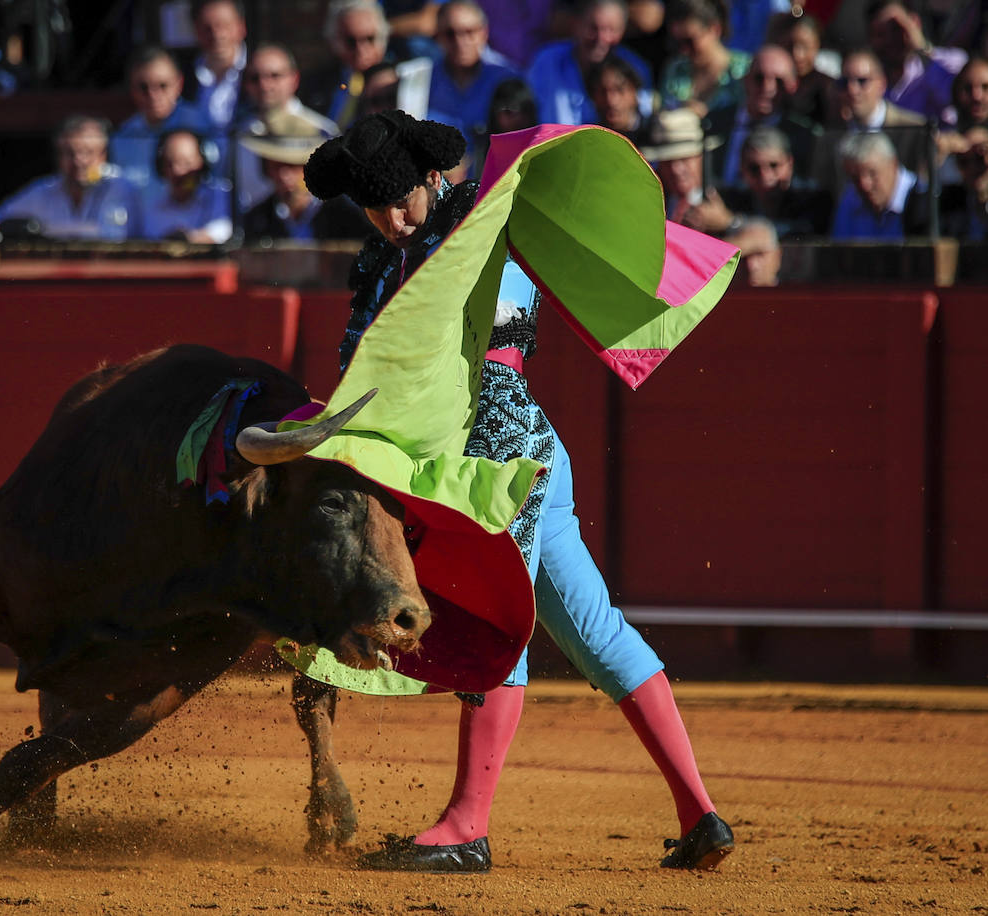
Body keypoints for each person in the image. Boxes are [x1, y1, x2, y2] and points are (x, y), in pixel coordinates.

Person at [303, 109, 733, 874]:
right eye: (374, 207)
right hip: (523, 452)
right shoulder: (378, 260)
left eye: (401, 199)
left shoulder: (480, 216)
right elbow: (362, 371)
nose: (391, 218)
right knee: (597, 634)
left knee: (495, 618)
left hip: (499, 451)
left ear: (433, 178)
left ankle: (468, 825)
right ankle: (700, 814)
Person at [0, 116, 140, 241]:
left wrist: (45, 230)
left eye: (88, 152)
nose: (79, 161)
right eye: (69, 153)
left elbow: (112, 235)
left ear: (103, 155)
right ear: (58, 157)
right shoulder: (46, 189)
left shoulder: (119, 185)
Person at [233, 43, 339, 214]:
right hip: (254, 232)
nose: (264, 85)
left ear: (294, 78)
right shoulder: (239, 136)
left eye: (275, 76)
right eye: (255, 78)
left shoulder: (322, 131)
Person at [810, 48, 928, 193]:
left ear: (882, 84)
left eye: (862, 81)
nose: (852, 90)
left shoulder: (915, 129)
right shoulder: (830, 138)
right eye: (844, 82)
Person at [239, 112, 370, 242]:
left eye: (293, 166)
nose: (284, 176)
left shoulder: (347, 217)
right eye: (276, 166)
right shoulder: (256, 221)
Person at [704, 43, 821, 185]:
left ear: (792, 86)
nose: (768, 88)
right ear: (746, 80)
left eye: (778, 81)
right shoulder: (713, 123)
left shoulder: (804, 137)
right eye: (759, 78)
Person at [527, 0, 654, 126]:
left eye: (611, 29)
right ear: (577, 24)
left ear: (623, 30)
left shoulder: (635, 68)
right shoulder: (548, 61)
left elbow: (643, 121)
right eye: (593, 28)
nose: (601, 38)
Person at [110, 45, 216, 190]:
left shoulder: (201, 126)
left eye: (162, 85)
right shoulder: (123, 137)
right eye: (143, 87)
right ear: (132, 89)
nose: (153, 95)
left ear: (179, 83)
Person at [423, 1, 522, 150]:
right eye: (450, 34)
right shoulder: (425, 80)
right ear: (438, 36)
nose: (460, 41)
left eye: (469, 32)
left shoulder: (508, 78)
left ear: (484, 32)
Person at [718, 125, 833, 237]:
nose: (765, 175)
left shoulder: (813, 197)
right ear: (742, 168)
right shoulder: (729, 200)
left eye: (774, 165)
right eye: (754, 168)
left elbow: (801, 233)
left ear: (789, 164)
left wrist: (734, 223)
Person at [865, 0, 966, 126]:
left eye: (897, 29)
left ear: (915, 23)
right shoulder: (863, 80)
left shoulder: (951, 61)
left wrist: (922, 48)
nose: (890, 39)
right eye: (880, 33)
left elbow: (959, 98)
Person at [301, 0, 393, 131]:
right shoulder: (316, 84)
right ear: (334, 41)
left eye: (369, 38)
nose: (361, 50)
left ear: (383, 38)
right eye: (351, 41)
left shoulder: (400, 80)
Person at [136, 129, 232, 243]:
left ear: (203, 164)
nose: (178, 171)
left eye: (186, 163)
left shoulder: (221, 196)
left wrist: (189, 239)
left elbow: (223, 231)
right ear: (160, 168)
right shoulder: (153, 210)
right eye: (169, 163)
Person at [829, 129, 929, 239]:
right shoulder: (849, 203)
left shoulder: (926, 199)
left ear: (893, 164)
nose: (864, 185)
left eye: (872, 173)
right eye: (855, 177)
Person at [660, 0, 753, 118]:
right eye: (677, 42)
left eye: (690, 41)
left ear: (715, 29)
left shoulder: (746, 70)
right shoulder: (675, 69)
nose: (684, 50)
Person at [637, 107, 727, 227]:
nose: (676, 169)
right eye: (667, 161)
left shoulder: (727, 200)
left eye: (685, 158)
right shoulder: (648, 203)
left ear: (701, 157)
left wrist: (725, 223)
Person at [181, 0, 249, 131]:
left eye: (224, 25)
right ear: (196, 30)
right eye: (207, 28)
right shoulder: (181, 76)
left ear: (241, 27)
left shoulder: (262, 73)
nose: (217, 34)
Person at [768, 11, 837, 126]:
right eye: (790, 46)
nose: (797, 54)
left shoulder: (828, 87)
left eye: (805, 46)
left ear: (817, 45)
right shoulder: (768, 82)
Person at [587, 52, 652, 145]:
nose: (611, 101)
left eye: (619, 90)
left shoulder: (656, 133)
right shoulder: (589, 140)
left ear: (634, 92)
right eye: (602, 91)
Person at [722, 214, 782, 285]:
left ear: (777, 256)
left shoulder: (795, 293)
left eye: (759, 254)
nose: (751, 265)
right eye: (743, 256)